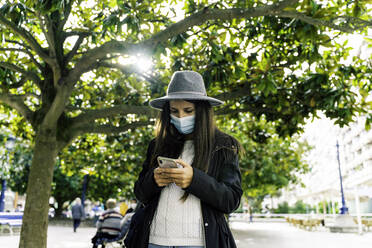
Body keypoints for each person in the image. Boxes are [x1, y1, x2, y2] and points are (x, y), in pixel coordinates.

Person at [129, 71, 243, 248]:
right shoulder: (157, 145)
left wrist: (194, 180)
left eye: (188, 110)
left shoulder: (224, 146)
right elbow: (140, 193)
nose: (181, 117)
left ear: (202, 111)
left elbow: (231, 200)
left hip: (198, 243)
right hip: (155, 241)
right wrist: (153, 180)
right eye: (174, 111)